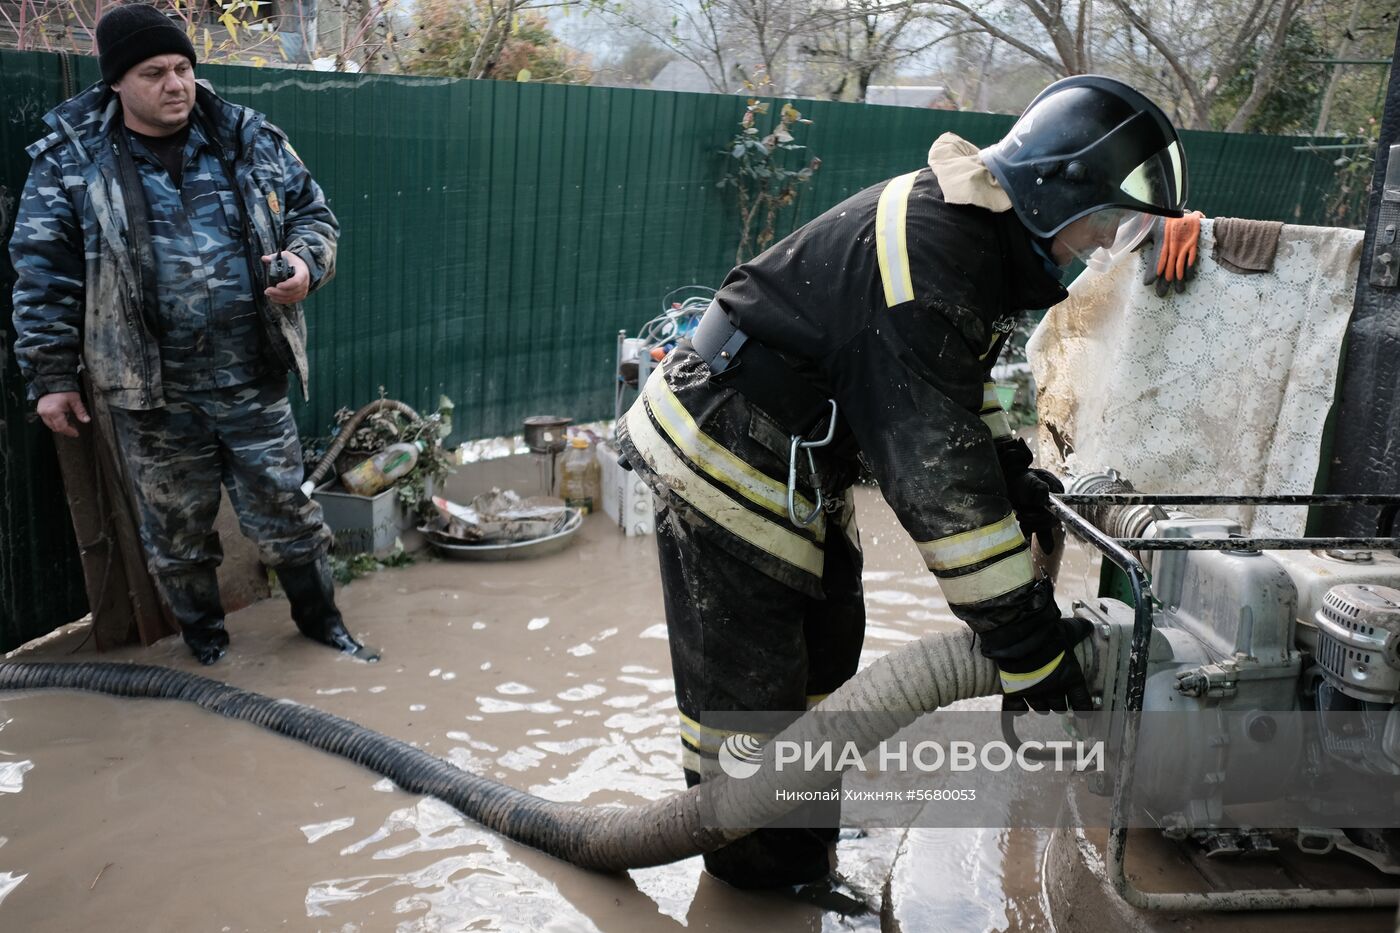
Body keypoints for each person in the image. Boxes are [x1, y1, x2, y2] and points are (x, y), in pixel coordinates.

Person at [616, 75, 1188, 888]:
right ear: (1049, 193)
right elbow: (943, 499)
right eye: (1095, 229)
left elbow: (954, 393)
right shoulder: (934, 256)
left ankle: (800, 850)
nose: (1097, 251)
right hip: (727, 444)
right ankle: (760, 882)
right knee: (752, 696)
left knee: (828, 653)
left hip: (792, 449)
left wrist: (1014, 477)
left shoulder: (967, 236)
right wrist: (1034, 655)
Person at [9, 3, 374, 665]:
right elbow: (42, 275)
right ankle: (207, 649)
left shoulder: (248, 136)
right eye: (155, 72)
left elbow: (314, 217)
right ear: (117, 80)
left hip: (251, 373)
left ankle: (324, 627)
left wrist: (304, 263)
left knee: (289, 515)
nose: (175, 83)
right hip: (150, 390)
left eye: (183, 67)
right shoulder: (70, 159)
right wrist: (52, 378)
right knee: (176, 533)